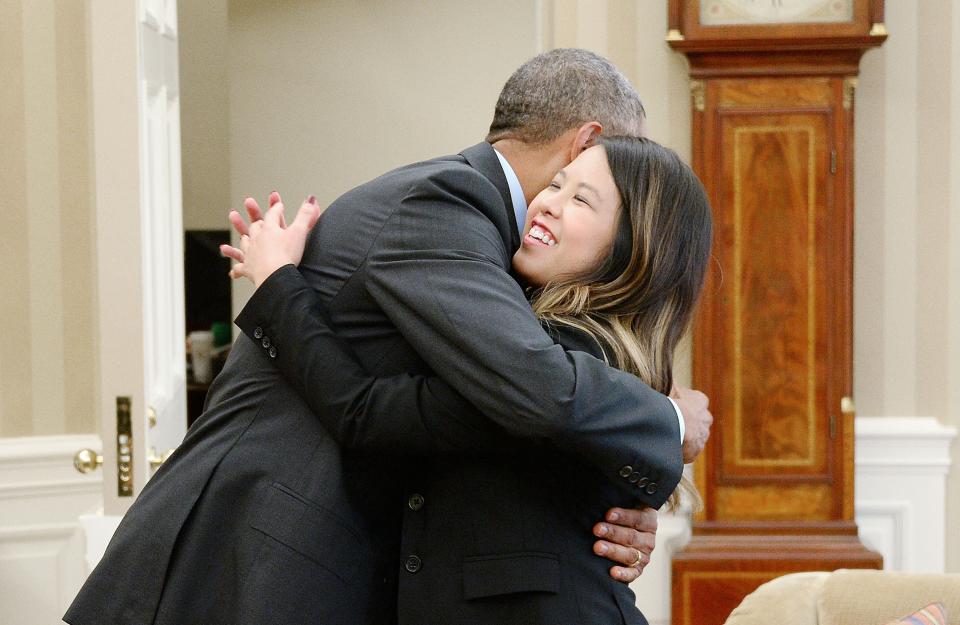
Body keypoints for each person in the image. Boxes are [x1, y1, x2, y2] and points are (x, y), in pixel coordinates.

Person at [65, 49, 712, 625]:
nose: (558, 205)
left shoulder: (520, 273)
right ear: (585, 141)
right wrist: (667, 421)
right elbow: (527, 382)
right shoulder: (448, 203)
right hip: (254, 549)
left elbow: (523, 396)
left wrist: (611, 497)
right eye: (616, 164)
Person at [227, 135, 712, 624]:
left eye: (582, 200)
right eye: (556, 184)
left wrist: (277, 282)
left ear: (635, 248)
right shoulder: (563, 346)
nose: (548, 205)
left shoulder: (563, 358)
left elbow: (364, 412)